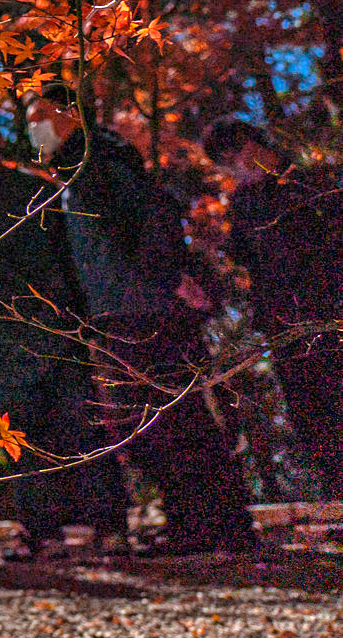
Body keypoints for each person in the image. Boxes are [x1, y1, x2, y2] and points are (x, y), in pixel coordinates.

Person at [27, 87, 257, 555]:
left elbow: (150, 223)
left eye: (40, 116)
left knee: (174, 420)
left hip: (146, 314)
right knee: (157, 424)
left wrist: (170, 277)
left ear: (69, 117)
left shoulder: (101, 165)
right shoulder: (80, 170)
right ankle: (196, 524)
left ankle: (217, 527)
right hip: (124, 315)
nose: (33, 128)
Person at [0, 103, 128, 557]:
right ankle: (111, 526)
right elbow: (65, 250)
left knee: (20, 431)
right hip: (54, 318)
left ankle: (43, 532)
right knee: (83, 424)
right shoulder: (38, 189)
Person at [206, 115, 343, 497]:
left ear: (254, 145)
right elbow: (244, 259)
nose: (238, 166)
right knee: (307, 406)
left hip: (328, 310)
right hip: (282, 320)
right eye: (227, 163)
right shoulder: (245, 201)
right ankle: (334, 487)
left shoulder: (309, 182)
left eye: (238, 155)